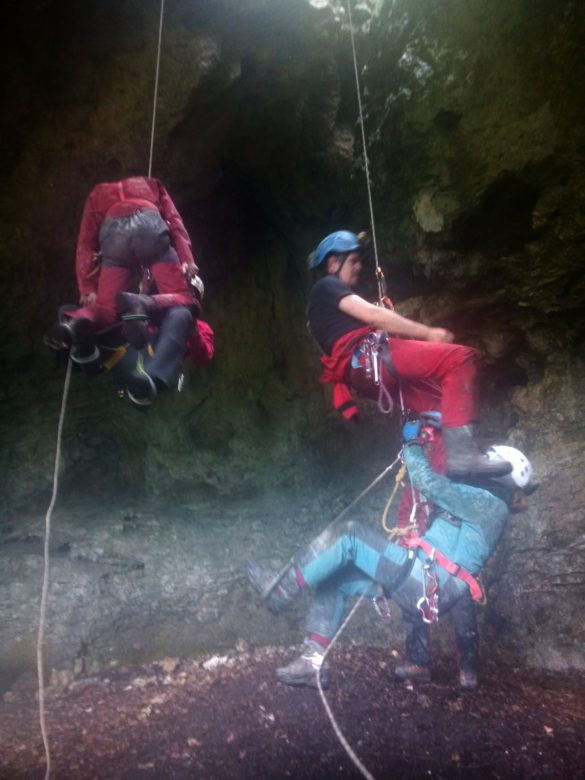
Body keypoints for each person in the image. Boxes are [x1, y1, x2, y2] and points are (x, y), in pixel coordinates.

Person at [247, 414, 536, 689]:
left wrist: (410, 443)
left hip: (425, 581)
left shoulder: (490, 505)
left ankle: (280, 590)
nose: (481, 464)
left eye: (488, 461)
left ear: (500, 473)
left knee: (350, 534)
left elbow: (430, 483)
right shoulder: (481, 501)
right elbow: (443, 482)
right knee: (336, 579)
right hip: (422, 577)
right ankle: (312, 663)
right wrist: (434, 437)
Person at [307, 230, 511, 478]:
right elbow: (373, 315)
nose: (359, 267)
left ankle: (442, 482)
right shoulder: (326, 286)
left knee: (438, 413)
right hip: (372, 360)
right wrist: (427, 333)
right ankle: (464, 458)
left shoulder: (321, 307)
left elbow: (362, 324)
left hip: (364, 374)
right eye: (353, 261)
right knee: (460, 359)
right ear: (332, 262)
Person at [55, 176, 202, 361]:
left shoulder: (97, 192)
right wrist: (187, 259)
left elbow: (85, 243)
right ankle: (140, 303)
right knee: (184, 299)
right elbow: (174, 222)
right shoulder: (151, 183)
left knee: (106, 310)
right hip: (150, 227)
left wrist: (88, 288)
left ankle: (75, 321)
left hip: (114, 237)